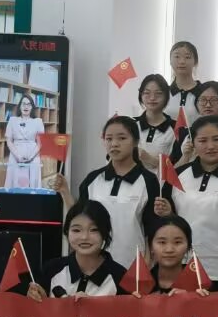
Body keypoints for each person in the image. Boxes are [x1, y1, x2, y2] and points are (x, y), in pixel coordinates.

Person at [154, 115, 218, 284]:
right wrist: (167, 213)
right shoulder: (178, 175)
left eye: (217, 139)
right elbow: (169, 223)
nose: (210, 146)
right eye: (202, 140)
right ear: (193, 143)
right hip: (181, 264)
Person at [56, 115, 160, 270]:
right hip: (94, 263)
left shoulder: (148, 180)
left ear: (136, 141)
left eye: (122, 138)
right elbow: (80, 217)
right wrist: (64, 191)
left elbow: (152, 226)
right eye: (109, 139)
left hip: (132, 264)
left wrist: (148, 259)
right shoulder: (93, 179)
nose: (114, 144)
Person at [28, 201, 128, 296]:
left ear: (105, 233)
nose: (84, 237)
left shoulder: (121, 277)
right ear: (67, 232)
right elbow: (38, 305)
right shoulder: (51, 269)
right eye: (76, 230)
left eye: (94, 230)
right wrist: (38, 301)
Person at [142, 214, 214, 295]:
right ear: (151, 247)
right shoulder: (139, 284)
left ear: (188, 246)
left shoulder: (200, 283)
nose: (169, 250)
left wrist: (196, 298)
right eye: (162, 242)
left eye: (177, 242)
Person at [170, 80, 218, 165]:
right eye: (203, 100)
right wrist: (186, 156)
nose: (208, 105)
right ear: (196, 104)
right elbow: (172, 169)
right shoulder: (184, 133)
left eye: (214, 100)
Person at [133, 73, 177, 172]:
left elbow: (177, 165)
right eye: (147, 93)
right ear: (141, 95)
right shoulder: (131, 125)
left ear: (166, 96)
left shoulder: (176, 128)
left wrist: (149, 158)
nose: (152, 98)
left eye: (158, 93)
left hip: (162, 180)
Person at [2, 93, 45, 189]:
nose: (26, 107)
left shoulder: (38, 121)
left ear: (32, 107)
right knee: (16, 184)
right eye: (23, 104)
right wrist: (18, 156)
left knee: (32, 184)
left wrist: (31, 157)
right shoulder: (12, 120)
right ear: (20, 106)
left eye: (29, 104)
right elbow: (9, 141)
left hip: (33, 155)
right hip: (15, 155)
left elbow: (40, 143)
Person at [164, 39, 202, 117]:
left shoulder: (203, 92)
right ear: (170, 61)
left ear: (195, 62)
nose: (182, 61)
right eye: (177, 56)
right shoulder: (163, 93)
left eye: (187, 57)